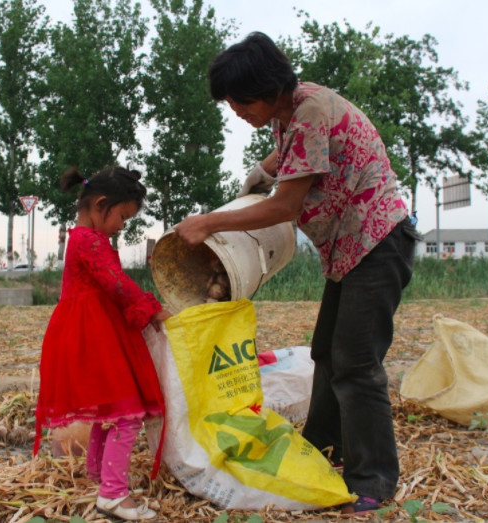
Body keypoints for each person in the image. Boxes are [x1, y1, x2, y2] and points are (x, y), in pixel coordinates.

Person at [174, 32, 419, 516]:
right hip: (350, 249)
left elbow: (285, 206)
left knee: (356, 363)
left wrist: (211, 222)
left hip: (376, 242)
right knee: (326, 351)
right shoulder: (291, 112)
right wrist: (259, 173)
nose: (237, 112)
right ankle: (325, 446)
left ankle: (373, 479)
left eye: (241, 102)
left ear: (266, 90)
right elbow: (281, 164)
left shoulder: (309, 111)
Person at [33, 165, 172, 521]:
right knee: (128, 415)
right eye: (122, 217)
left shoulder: (83, 238)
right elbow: (115, 283)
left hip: (91, 332)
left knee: (108, 411)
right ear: (100, 204)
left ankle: (99, 476)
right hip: (93, 335)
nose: (122, 226)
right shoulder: (90, 241)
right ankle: (112, 494)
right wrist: (152, 310)